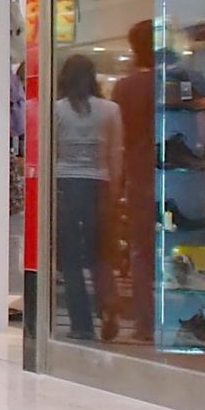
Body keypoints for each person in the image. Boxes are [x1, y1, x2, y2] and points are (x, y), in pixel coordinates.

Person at [52, 52, 122, 341]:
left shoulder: (56, 110)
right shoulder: (110, 110)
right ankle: (108, 306)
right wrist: (115, 189)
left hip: (66, 183)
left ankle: (81, 324)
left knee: (70, 258)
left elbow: (52, 151)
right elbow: (117, 152)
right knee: (99, 254)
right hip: (100, 184)